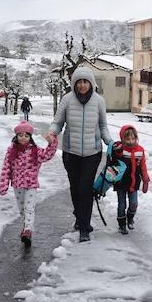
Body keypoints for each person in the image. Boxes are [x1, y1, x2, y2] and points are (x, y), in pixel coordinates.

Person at [46, 67, 113, 242]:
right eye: (79, 82)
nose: (82, 85)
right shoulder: (67, 100)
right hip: (71, 153)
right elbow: (58, 122)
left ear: (91, 83)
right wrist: (52, 132)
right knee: (75, 189)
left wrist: (110, 142)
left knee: (85, 189)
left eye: (86, 82)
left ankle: (85, 227)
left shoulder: (99, 101)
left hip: (92, 153)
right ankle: (80, 217)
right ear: (74, 84)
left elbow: (103, 126)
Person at [0, 120, 58, 247]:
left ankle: (28, 231)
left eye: (26, 136)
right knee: (22, 210)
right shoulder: (11, 151)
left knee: (29, 208)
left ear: (30, 137)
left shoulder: (35, 151)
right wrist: (4, 184)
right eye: (21, 135)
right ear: (16, 136)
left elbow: (47, 155)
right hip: (17, 185)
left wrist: (52, 143)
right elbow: (6, 168)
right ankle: (25, 227)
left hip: (31, 184)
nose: (23, 138)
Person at [108, 124, 150, 234]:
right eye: (127, 138)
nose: (131, 141)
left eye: (133, 138)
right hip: (121, 182)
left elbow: (143, 166)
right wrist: (115, 148)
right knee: (121, 204)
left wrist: (145, 179)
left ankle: (130, 218)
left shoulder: (140, 150)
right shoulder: (120, 150)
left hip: (133, 182)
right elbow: (113, 160)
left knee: (134, 203)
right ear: (123, 138)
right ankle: (122, 224)